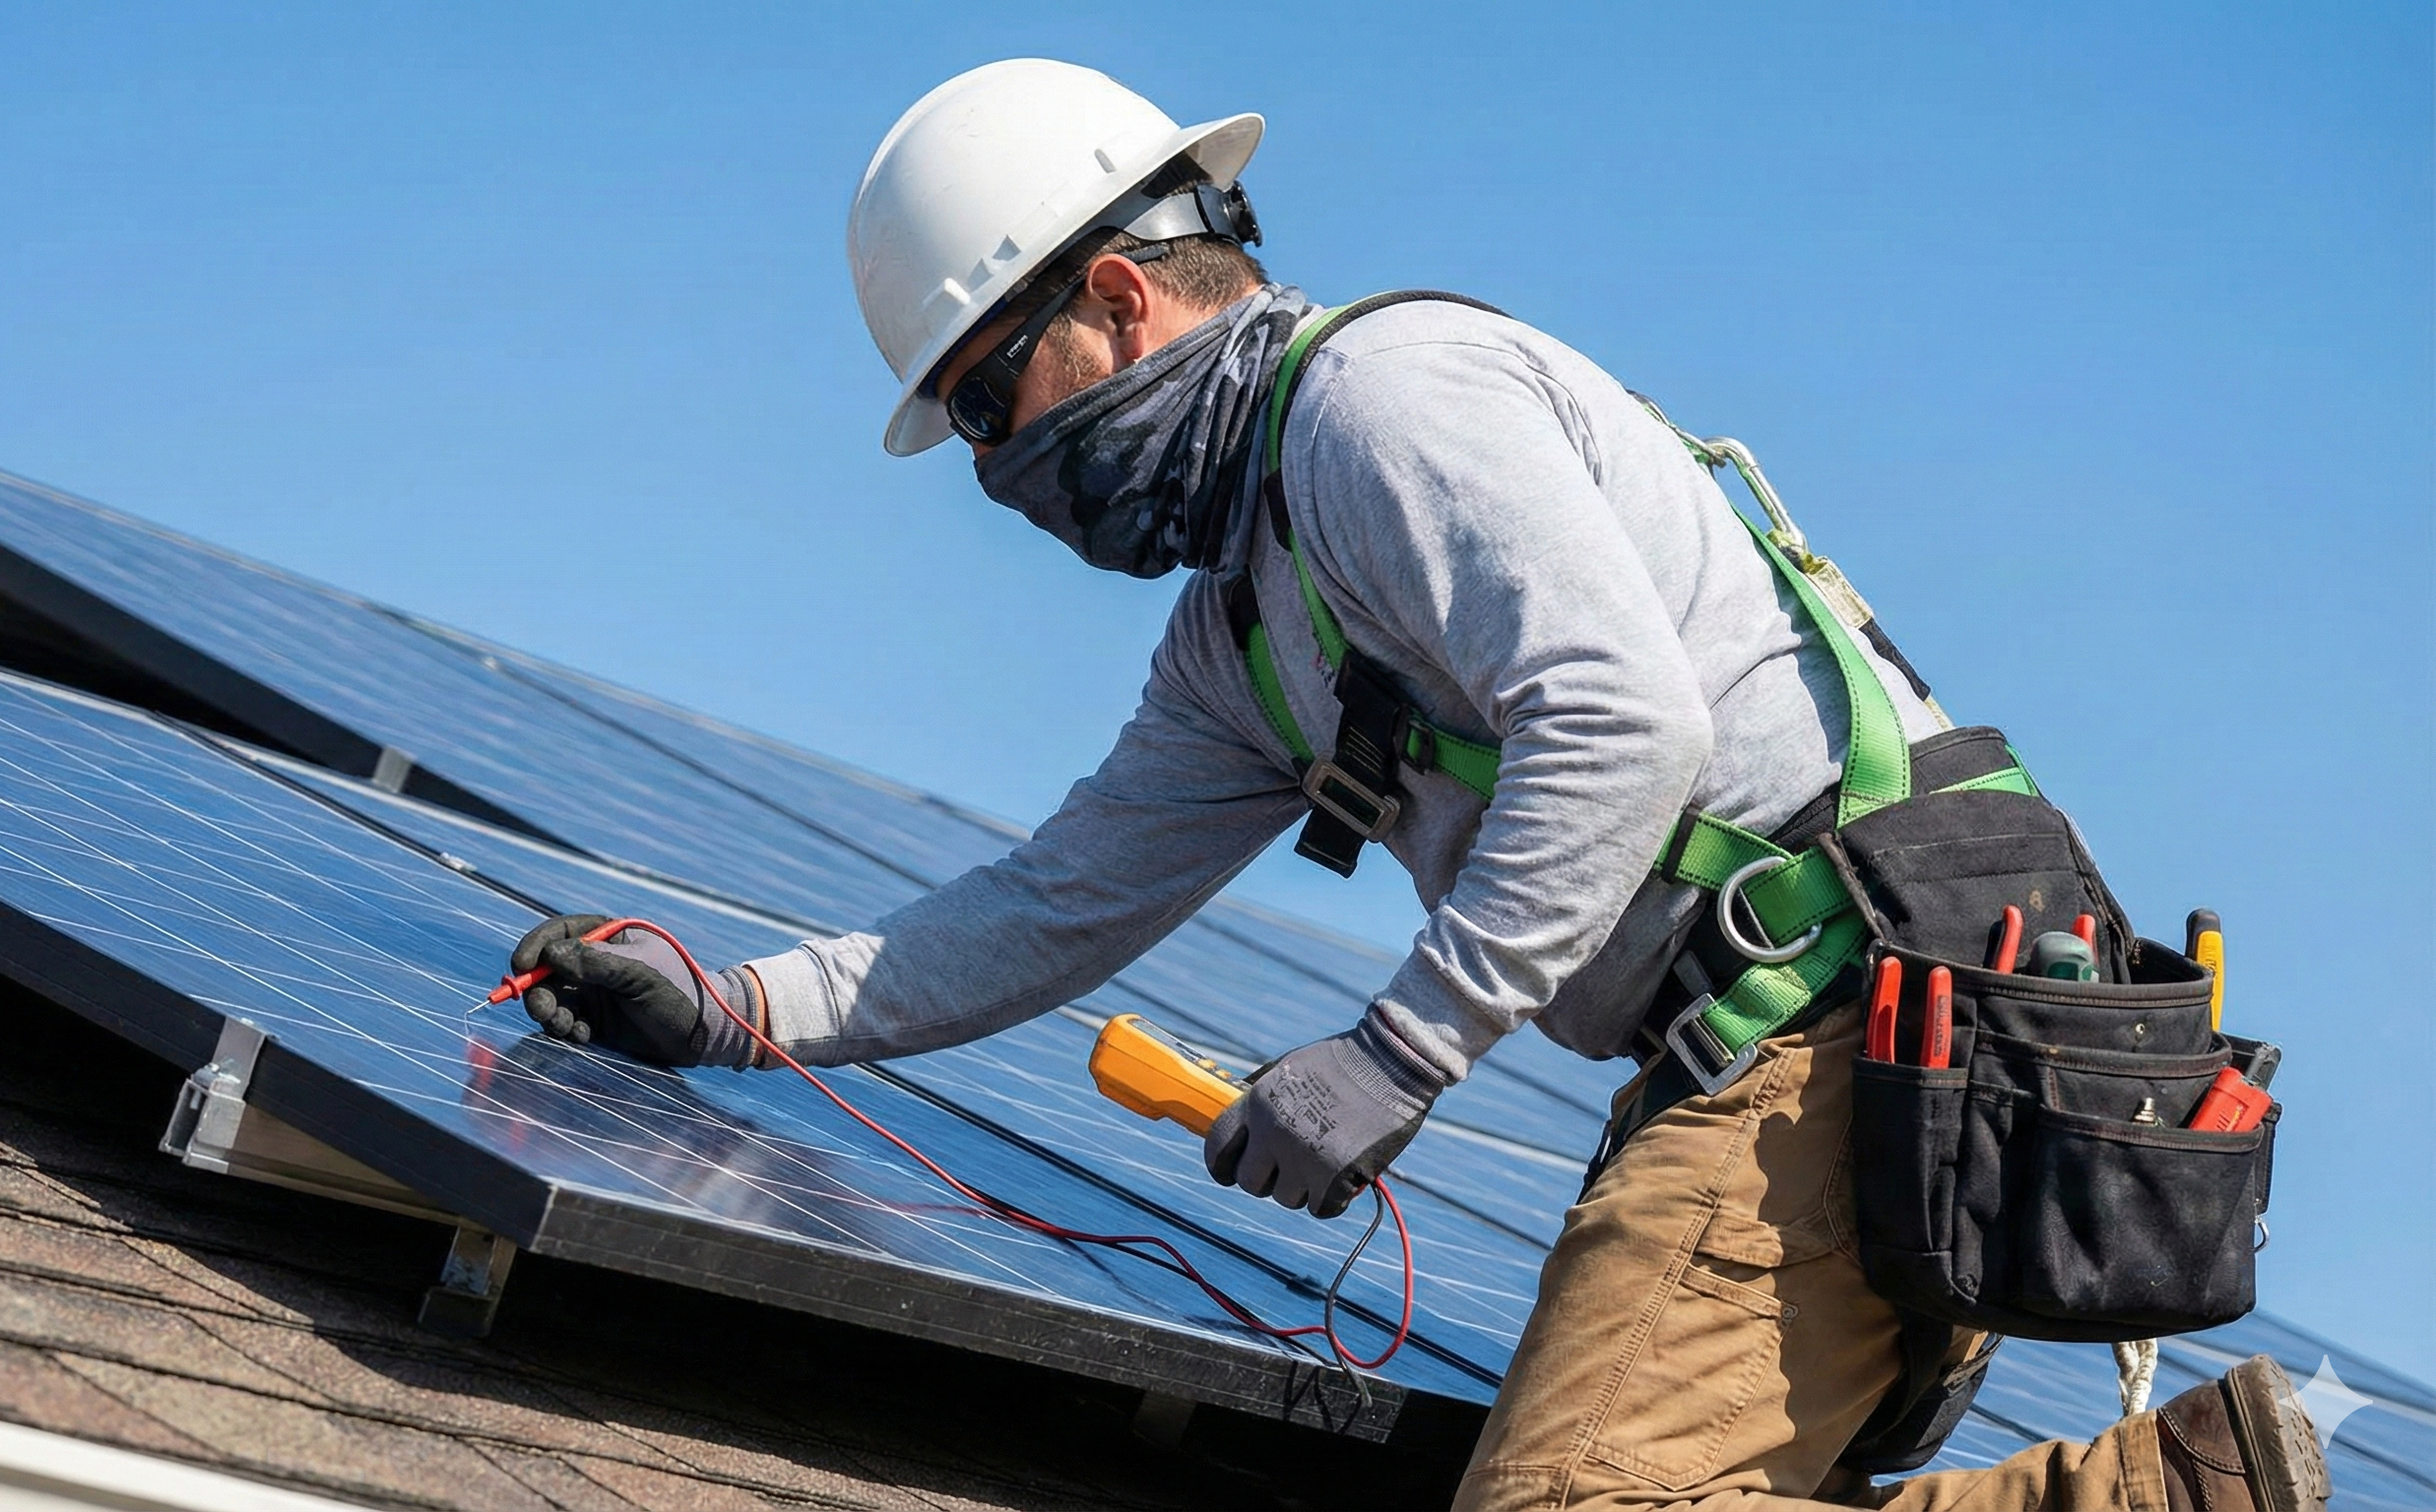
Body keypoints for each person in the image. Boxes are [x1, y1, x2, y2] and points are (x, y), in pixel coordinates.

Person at [507, 60, 2332, 1512]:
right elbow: (1053, 902)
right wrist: (737, 1011)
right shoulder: (1247, 630)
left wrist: (1393, 1056)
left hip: (1848, 1028)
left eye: (991, 406)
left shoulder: (1382, 405)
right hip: (1826, 1051)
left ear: (1122, 297)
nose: (1003, 473)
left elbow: (1626, 728)